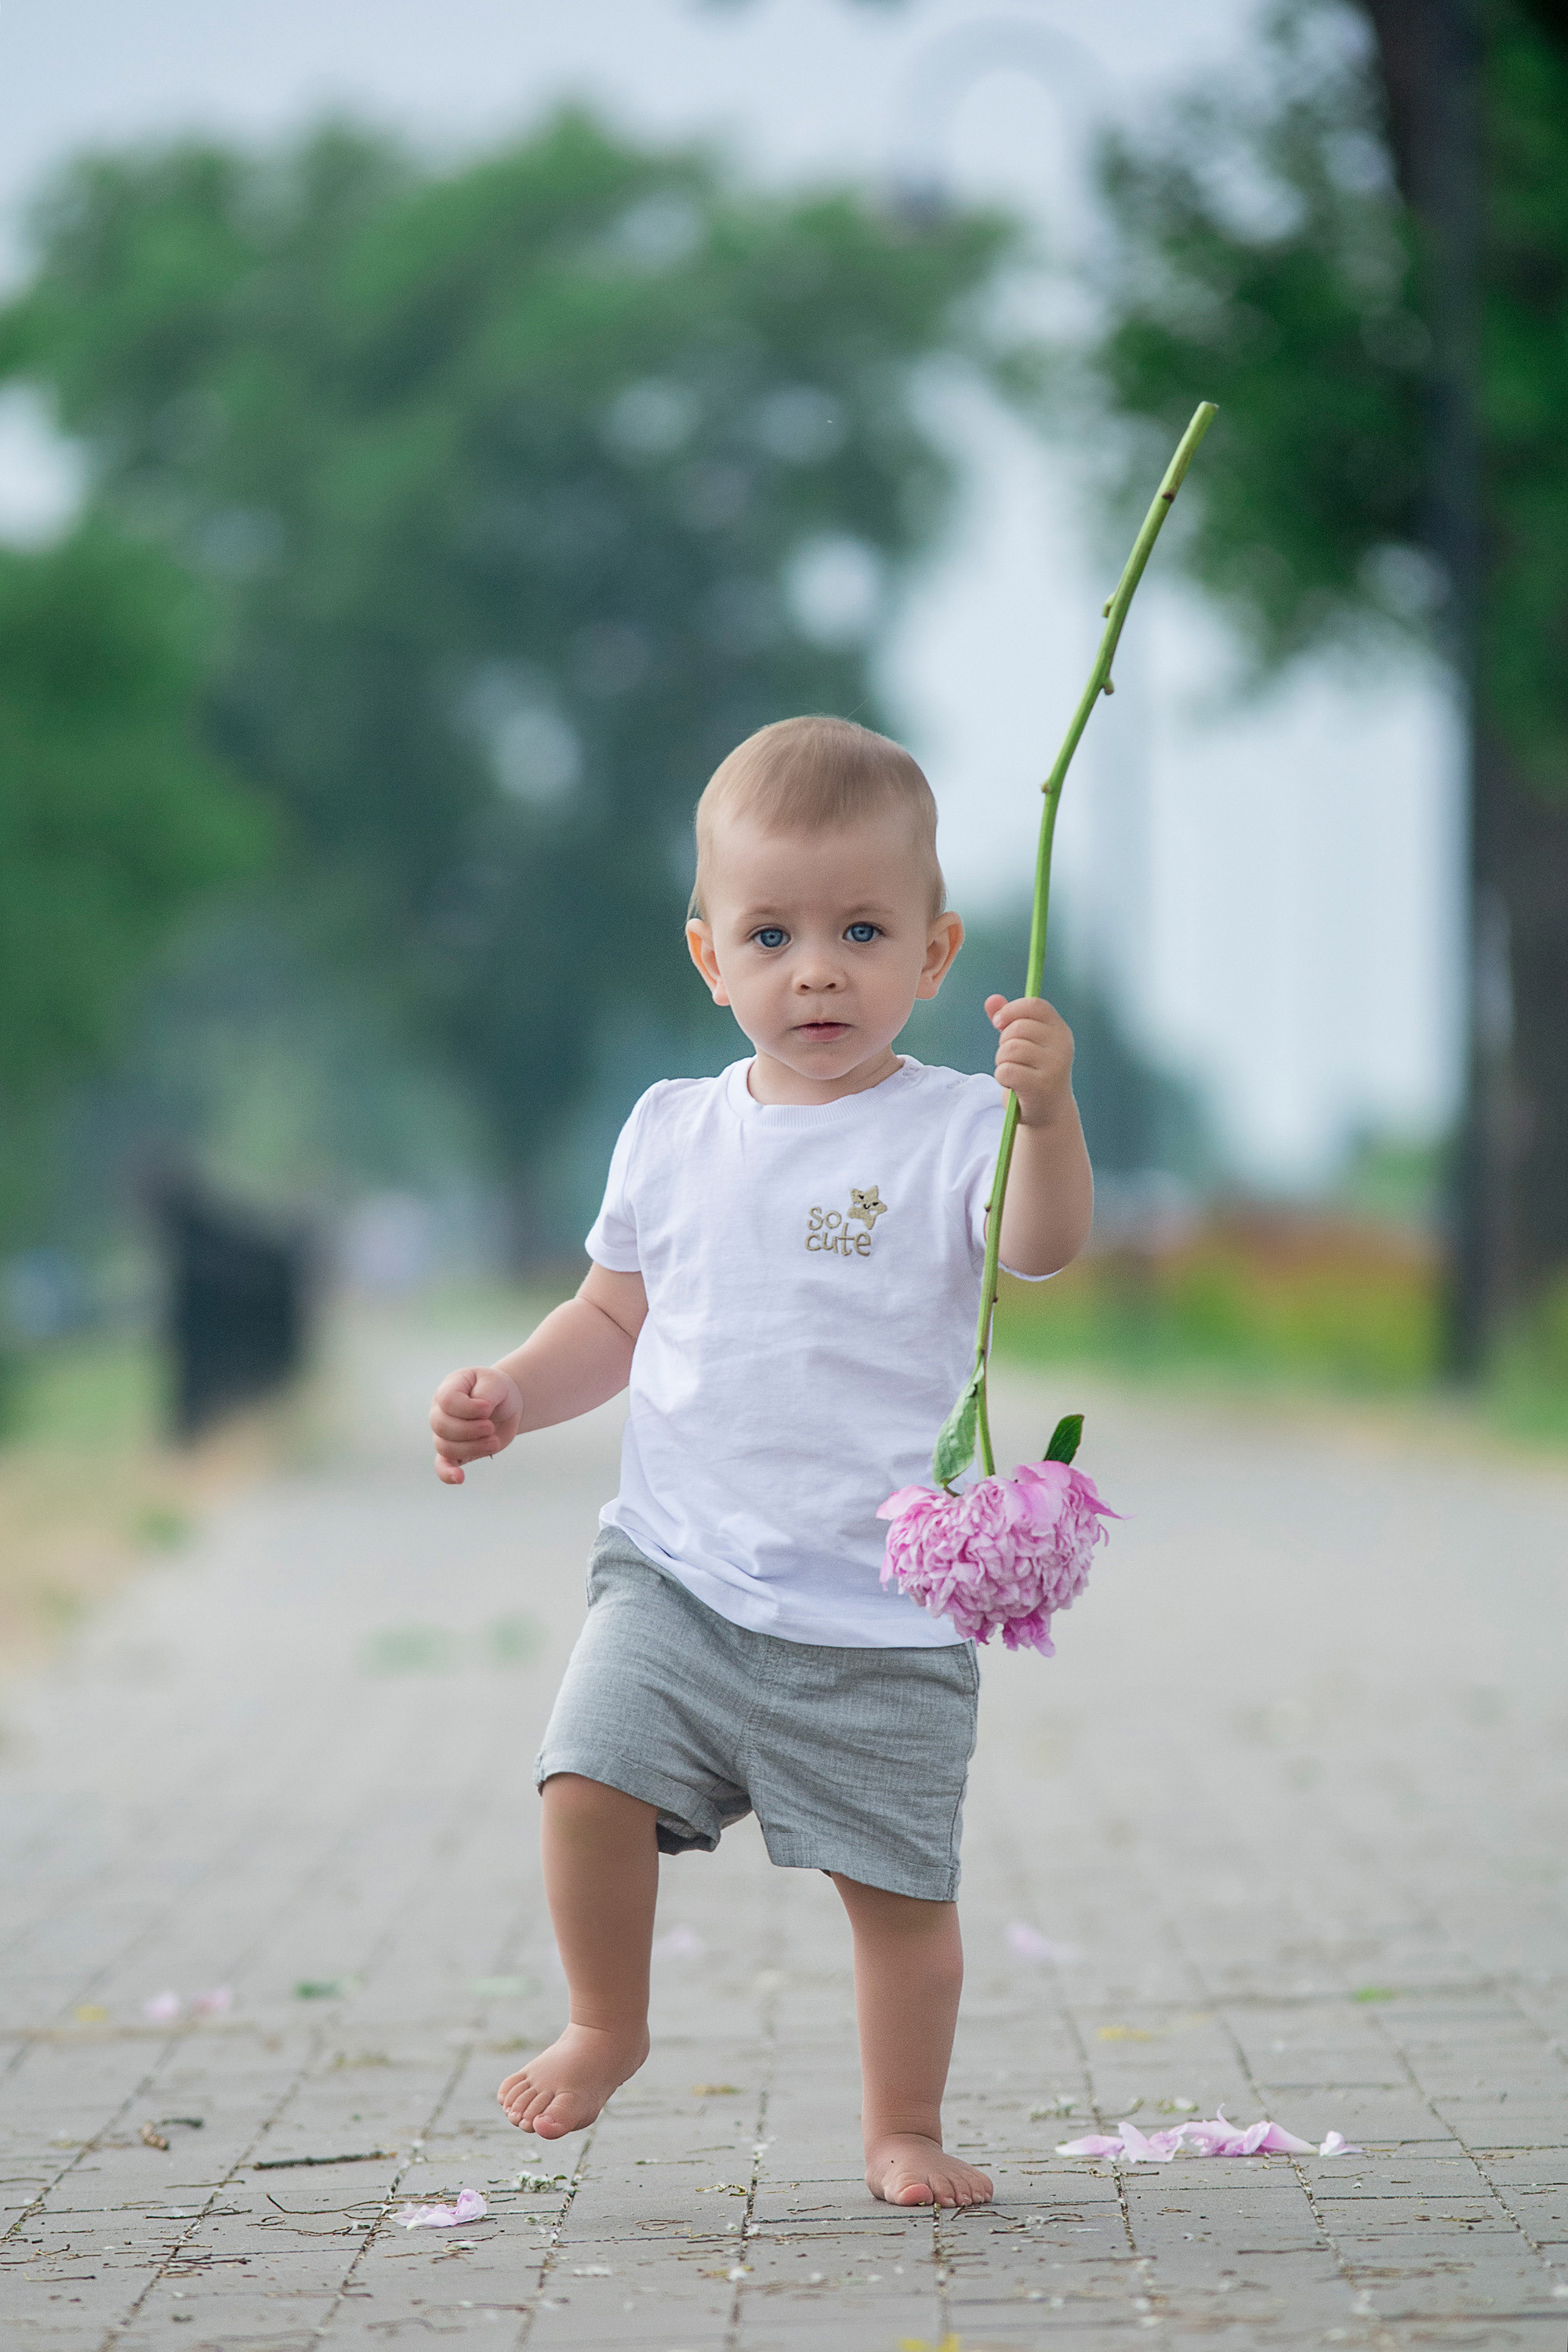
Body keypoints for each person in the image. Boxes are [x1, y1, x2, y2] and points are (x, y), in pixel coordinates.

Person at [428, 715, 1094, 2208]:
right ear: (706, 956)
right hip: (679, 1568)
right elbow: (611, 1315)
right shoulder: (670, 1132)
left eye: (863, 930)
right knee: (582, 1779)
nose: (817, 970)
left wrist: (1045, 1118)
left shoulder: (955, 1127)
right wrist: (517, 1398)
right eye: (772, 932)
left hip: (878, 1612)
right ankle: (607, 2021)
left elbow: (1040, 1252)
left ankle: (902, 2125)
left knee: (901, 1899)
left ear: (936, 952)